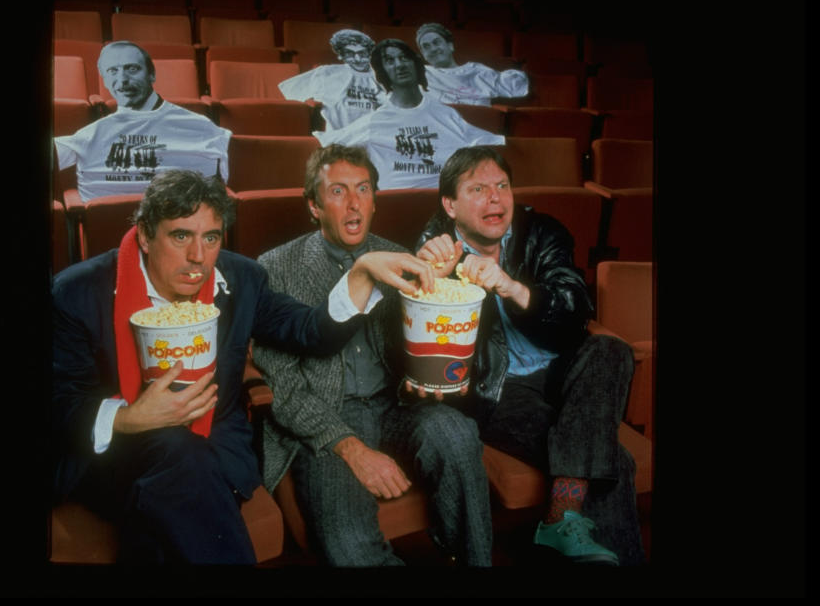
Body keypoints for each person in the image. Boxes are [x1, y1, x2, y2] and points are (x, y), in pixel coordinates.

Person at [52, 169, 436, 565]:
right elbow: (60, 402)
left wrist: (362, 273)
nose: (198, 257)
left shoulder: (243, 279)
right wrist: (130, 418)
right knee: (177, 456)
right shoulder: (77, 292)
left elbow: (311, 332)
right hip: (113, 457)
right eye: (180, 235)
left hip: (213, 449)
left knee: (178, 481)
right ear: (146, 236)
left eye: (211, 238)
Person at [251, 145, 493, 566]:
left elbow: (429, 341)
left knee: (456, 434)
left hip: (396, 406)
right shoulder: (275, 267)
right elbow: (283, 388)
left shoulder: (399, 254)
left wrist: (429, 375)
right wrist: (351, 448)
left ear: (375, 200)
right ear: (314, 205)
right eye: (337, 191)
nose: (353, 202)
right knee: (350, 550)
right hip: (327, 421)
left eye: (363, 189)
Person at [413, 146, 645, 566]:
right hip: (496, 388)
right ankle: (564, 529)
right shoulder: (434, 251)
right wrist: (438, 285)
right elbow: (428, 352)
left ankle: (559, 519)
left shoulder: (543, 232)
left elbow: (575, 310)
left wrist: (512, 287)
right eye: (478, 189)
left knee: (610, 347)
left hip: (561, 370)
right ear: (450, 204)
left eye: (502, 186)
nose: (496, 199)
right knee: (616, 461)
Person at [54, 41, 232, 203]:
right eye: (112, 71)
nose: (122, 80)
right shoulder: (90, 134)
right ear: (106, 81)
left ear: (152, 75)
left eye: (132, 69)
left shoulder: (201, 127)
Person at [314, 39, 504, 190]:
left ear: (416, 64)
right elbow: (326, 145)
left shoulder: (447, 115)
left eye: (405, 58)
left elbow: (491, 143)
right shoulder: (373, 122)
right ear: (383, 72)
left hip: (445, 208)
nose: (399, 65)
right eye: (390, 61)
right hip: (394, 208)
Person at [278, 29, 385, 131]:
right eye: (350, 54)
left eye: (362, 53)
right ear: (341, 55)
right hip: (340, 144)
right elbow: (290, 94)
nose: (357, 59)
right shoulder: (326, 73)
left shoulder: (388, 76)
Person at [415, 23, 530, 106]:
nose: (433, 49)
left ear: (450, 46)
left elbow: (515, 86)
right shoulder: (419, 74)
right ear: (423, 55)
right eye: (426, 47)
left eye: (436, 42)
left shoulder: (477, 71)